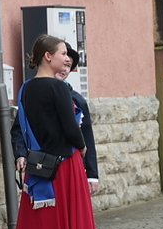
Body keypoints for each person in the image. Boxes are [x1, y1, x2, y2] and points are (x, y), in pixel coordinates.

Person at [1, 34, 104, 229]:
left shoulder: (25, 90)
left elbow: (20, 127)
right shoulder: (59, 89)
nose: (66, 57)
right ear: (48, 57)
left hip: (40, 168)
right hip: (66, 168)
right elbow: (72, 130)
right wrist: (82, 146)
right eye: (62, 53)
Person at [11, 42, 99, 193]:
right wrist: (20, 154)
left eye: (68, 66)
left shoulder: (77, 100)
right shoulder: (31, 93)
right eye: (63, 61)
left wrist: (92, 174)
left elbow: (86, 136)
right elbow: (20, 128)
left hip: (66, 163)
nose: (64, 69)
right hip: (40, 164)